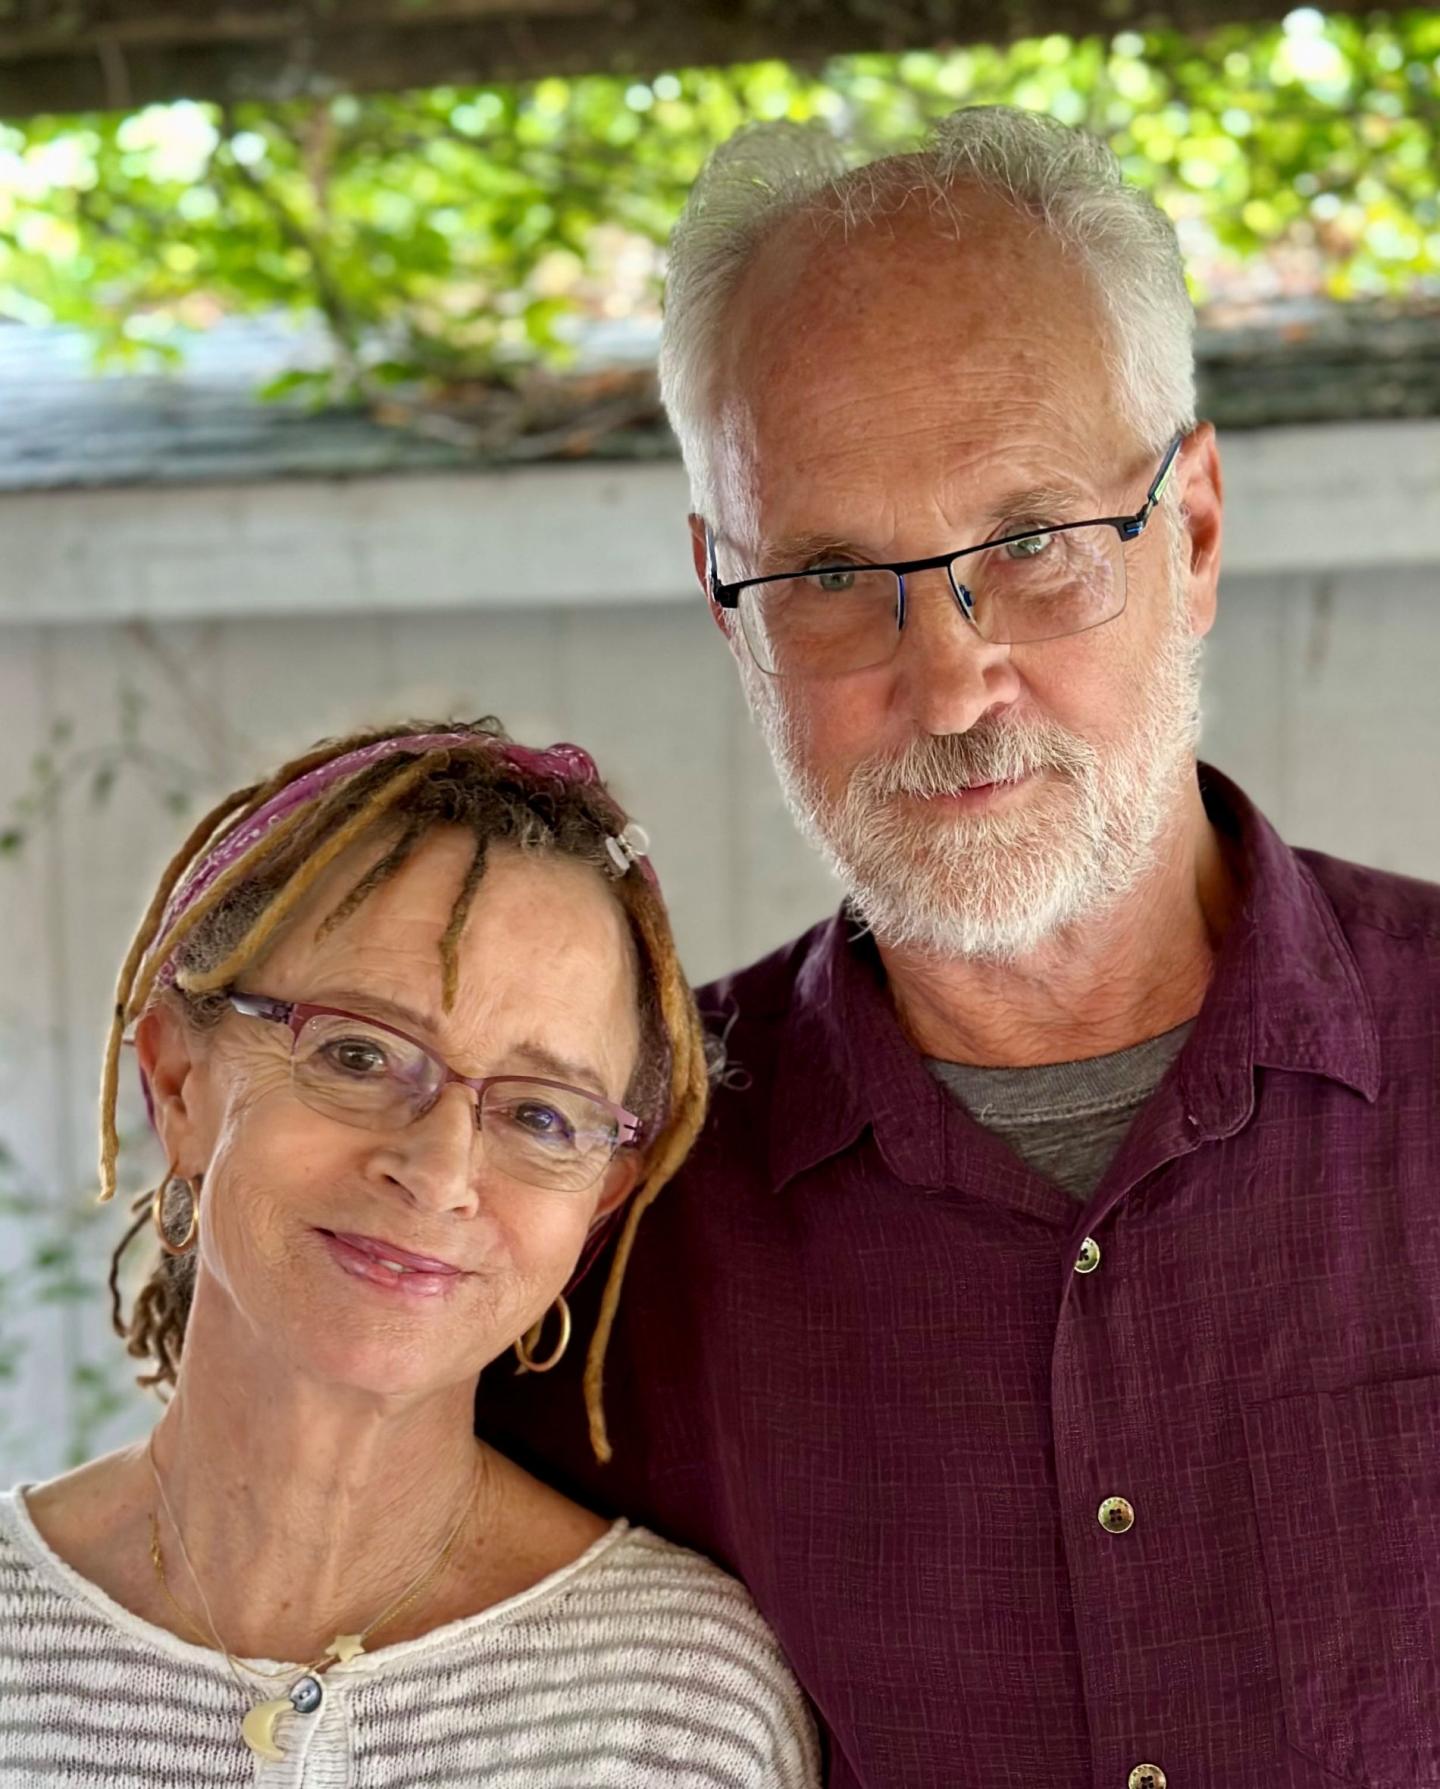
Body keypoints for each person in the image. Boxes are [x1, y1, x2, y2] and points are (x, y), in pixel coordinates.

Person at [480, 108, 1440, 1788]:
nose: (948, 683)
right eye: (836, 569)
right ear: (726, 595)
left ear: (1194, 531)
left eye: (1032, 542)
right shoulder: (602, 1196)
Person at [0, 721, 820, 1788]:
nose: (439, 1170)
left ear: (600, 1200)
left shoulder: (685, 1702)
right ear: (180, 1086)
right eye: (358, 1052)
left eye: (540, 1115)